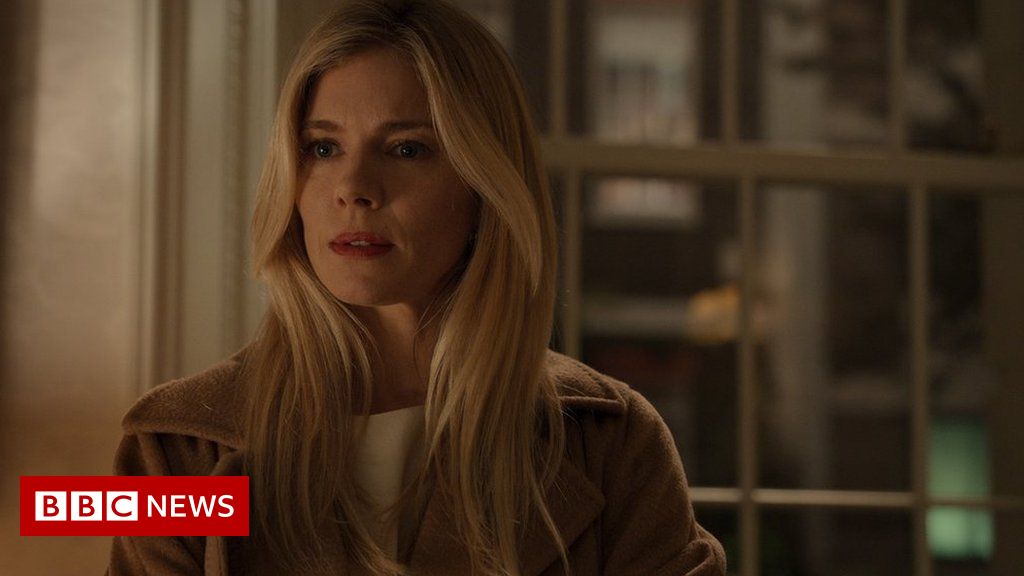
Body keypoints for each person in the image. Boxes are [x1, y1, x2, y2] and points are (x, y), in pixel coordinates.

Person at [106, 0, 726, 574]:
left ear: (485, 184)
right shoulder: (177, 447)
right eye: (323, 147)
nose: (354, 187)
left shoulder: (612, 443)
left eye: (406, 149)